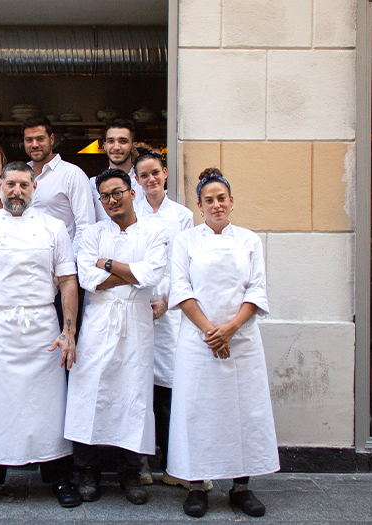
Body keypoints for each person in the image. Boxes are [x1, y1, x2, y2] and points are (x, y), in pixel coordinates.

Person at [0, 161, 83, 508]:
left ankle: (59, 478)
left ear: (34, 188)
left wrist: (69, 332)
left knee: (49, 407)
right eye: (10, 184)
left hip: (43, 327)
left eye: (24, 185)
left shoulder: (54, 227)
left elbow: (68, 281)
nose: (16, 191)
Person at [167, 168, 277, 519]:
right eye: (209, 200)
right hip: (197, 341)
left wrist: (230, 328)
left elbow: (256, 289)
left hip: (241, 340)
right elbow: (180, 289)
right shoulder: (186, 241)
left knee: (243, 411)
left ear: (232, 201)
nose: (216, 205)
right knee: (198, 411)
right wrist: (210, 332)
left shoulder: (249, 241)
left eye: (221, 198)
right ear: (199, 206)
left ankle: (241, 486)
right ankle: (197, 486)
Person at [65, 168, 168, 506]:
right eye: (105, 196)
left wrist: (107, 263)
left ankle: (130, 471)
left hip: (136, 323)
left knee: (133, 394)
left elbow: (151, 274)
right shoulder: (91, 233)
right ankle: (87, 470)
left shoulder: (154, 232)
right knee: (89, 392)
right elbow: (85, 277)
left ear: (132, 192)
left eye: (117, 193)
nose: (112, 200)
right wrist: (130, 272)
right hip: (99, 321)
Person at [132, 149, 197, 490]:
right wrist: (147, 299)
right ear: (137, 181)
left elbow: (183, 263)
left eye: (155, 172)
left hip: (172, 312)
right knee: (139, 384)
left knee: (170, 388)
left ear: (165, 173)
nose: (151, 179)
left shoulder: (182, 216)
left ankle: (175, 466)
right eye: (144, 175)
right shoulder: (133, 213)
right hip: (139, 304)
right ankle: (141, 462)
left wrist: (168, 301)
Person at [22, 117, 100, 252]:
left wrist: (69, 263)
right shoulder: (21, 174)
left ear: (52, 139)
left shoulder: (72, 174)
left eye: (40, 139)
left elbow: (85, 225)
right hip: (26, 259)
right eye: (29, 140)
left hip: (59, 261)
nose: (34, 144)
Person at [102, 119, 144, 202]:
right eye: (111, 141)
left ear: (133, 146)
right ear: (104, 146)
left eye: (123, 141)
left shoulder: (144, 184)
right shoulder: (92, 185)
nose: (116, 147)